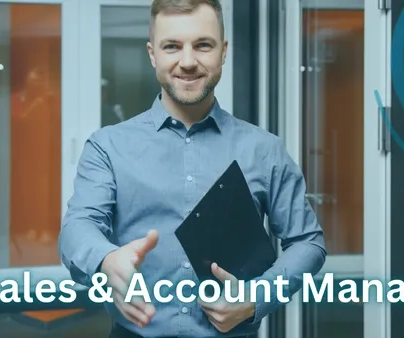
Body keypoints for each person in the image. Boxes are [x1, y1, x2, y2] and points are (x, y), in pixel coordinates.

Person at [58, 0, 327, 337]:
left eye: (203, 45)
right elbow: (76, 228)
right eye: (172, 46)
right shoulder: (108, 147)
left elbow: (308, 243)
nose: (187, 62)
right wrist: (106, 260)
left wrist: (256, 298)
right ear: (153, 54)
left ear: (223, 51)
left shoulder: (265, 150)